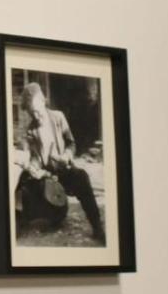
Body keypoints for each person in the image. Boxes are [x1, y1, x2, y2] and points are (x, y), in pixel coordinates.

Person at [20, 82, 105, 241]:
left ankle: (97, 227)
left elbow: (71, 143)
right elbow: (34, 157)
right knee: (26, 185)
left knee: (82, 177)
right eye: (32, 113)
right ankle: (50, 215)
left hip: (63, 170)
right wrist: (34, 167)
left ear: (43, 101)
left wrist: (66, 156)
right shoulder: (31, 130)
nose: (35, 116)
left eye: (37, 111)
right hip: (46, 177)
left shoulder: (58, 117)